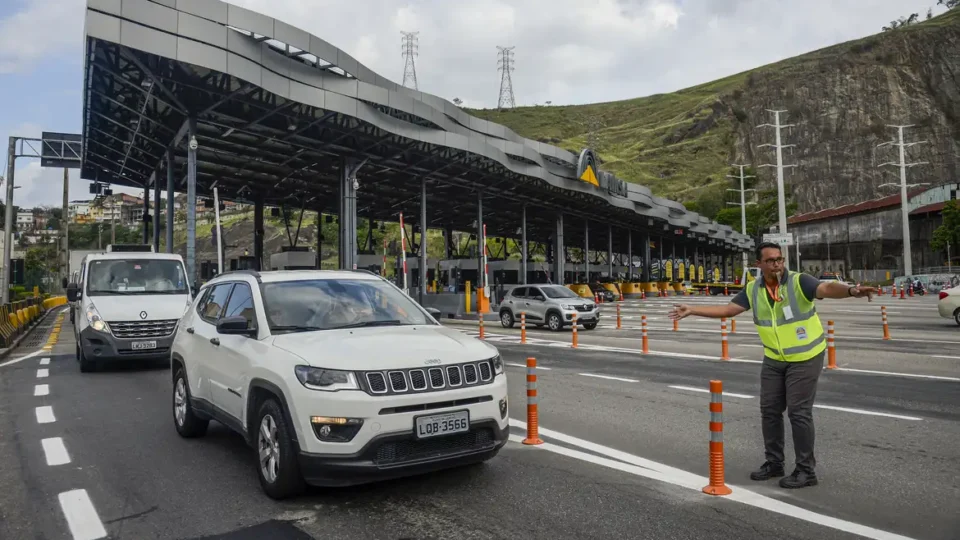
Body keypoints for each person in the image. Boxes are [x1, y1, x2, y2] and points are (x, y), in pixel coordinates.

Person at [668, 242, 876, 489]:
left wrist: (851, 291)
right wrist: (692, 309)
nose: (776, 264)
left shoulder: (800, 281)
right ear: (759, 264)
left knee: (798, 412)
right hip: (775, 358)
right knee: (769, 410)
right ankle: (774, 463)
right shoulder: (753, 289)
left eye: (779, 259)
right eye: (770, 260)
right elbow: (729, 309)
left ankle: (806, 470)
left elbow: (827, 287)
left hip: (806, 356)